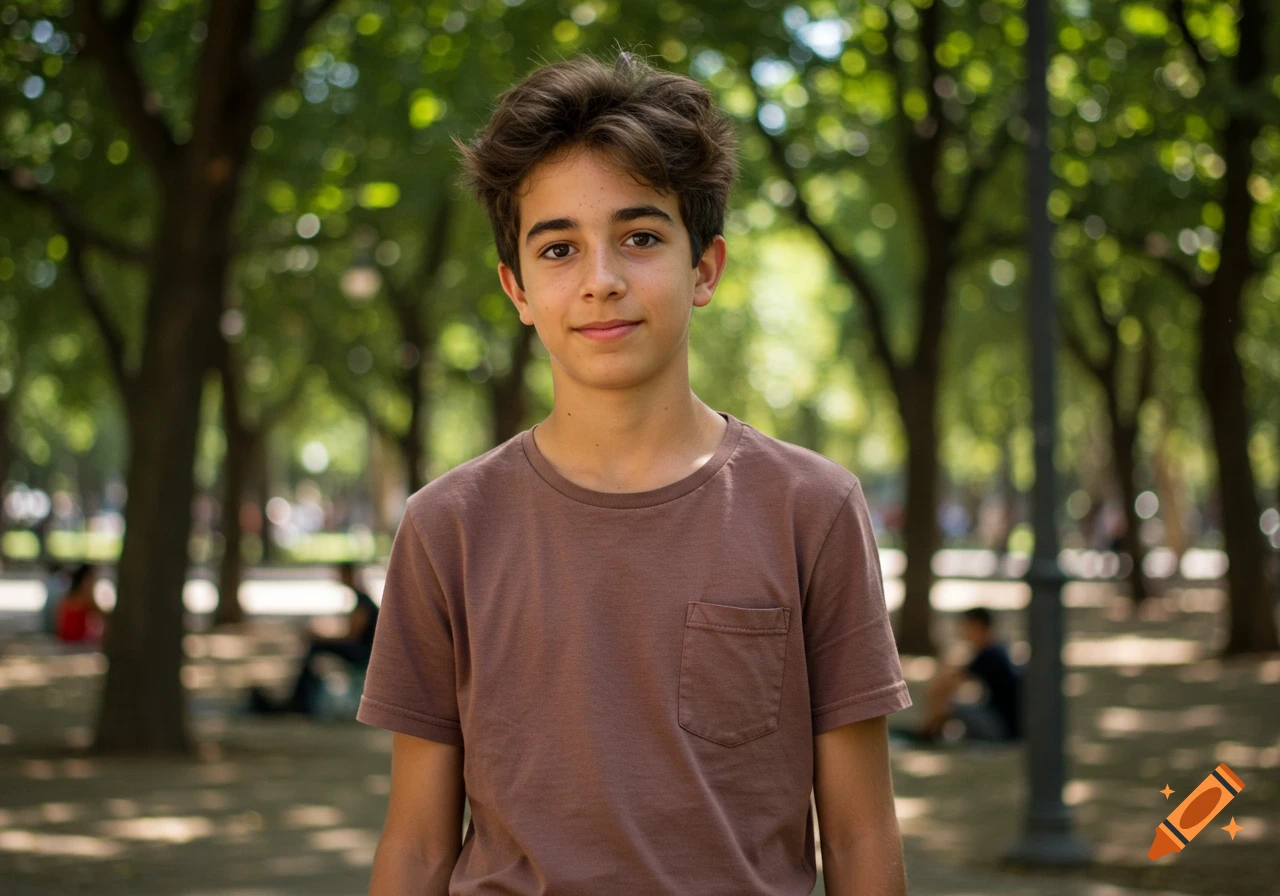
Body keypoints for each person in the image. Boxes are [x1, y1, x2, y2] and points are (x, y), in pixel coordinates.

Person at [357, 50, 913, 896]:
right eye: (558, 250)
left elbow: (860, 832)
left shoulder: (813, 509)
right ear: (515, 287)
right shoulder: (448, 528)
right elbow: (417, 847)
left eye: (641, 237)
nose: (601, 281)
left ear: (705, 269)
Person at [248, 561, 379, 715]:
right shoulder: (361, 599)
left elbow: (352, 637)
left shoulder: (363, 601)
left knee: (316, 648)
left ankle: (299, 700)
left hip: (364, 654)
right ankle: (299, 699)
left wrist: (322, 638)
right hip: (362, 651)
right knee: (315, 649)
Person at [898, 606, 1022, 744]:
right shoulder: (994, 650)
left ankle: (928, 731)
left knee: (954, 705)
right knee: (954, 701)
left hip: (1004, 729)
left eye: (965, 626)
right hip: (1004, 723)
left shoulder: (990, 655)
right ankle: (929, 730)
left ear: (977, 626)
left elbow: (949, 682)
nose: (962, 632)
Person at [55, 563, 105, 645]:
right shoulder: (84, 599)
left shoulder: (67, 597)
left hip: (67, 642)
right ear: (86, 579)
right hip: (75, 644)